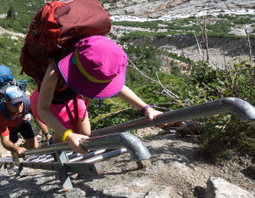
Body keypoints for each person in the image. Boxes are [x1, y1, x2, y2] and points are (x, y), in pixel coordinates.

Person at [32, 35, 162, 154]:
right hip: (50, 102)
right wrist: (68, 135)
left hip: (72, 96)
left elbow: (118, 88)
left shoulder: (95, 60)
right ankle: (55, 145)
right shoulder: (55, 71)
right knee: (68, 131)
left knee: (85, 133)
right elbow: (42, 109)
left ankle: (60, 138)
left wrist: (147, 109)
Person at [0, 85, 49, 159]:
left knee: (35, 148)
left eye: (20, 102)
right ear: (7, 103)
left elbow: (37, 117)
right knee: (14, 148)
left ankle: (23, 147)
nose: (18, 106)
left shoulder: (27, 101)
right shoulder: (1, 114)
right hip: (10, 129)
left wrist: (47, 133)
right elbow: (5, 141)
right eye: (14, 103)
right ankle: (16, 154)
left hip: (24, 122)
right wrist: (16, 149)